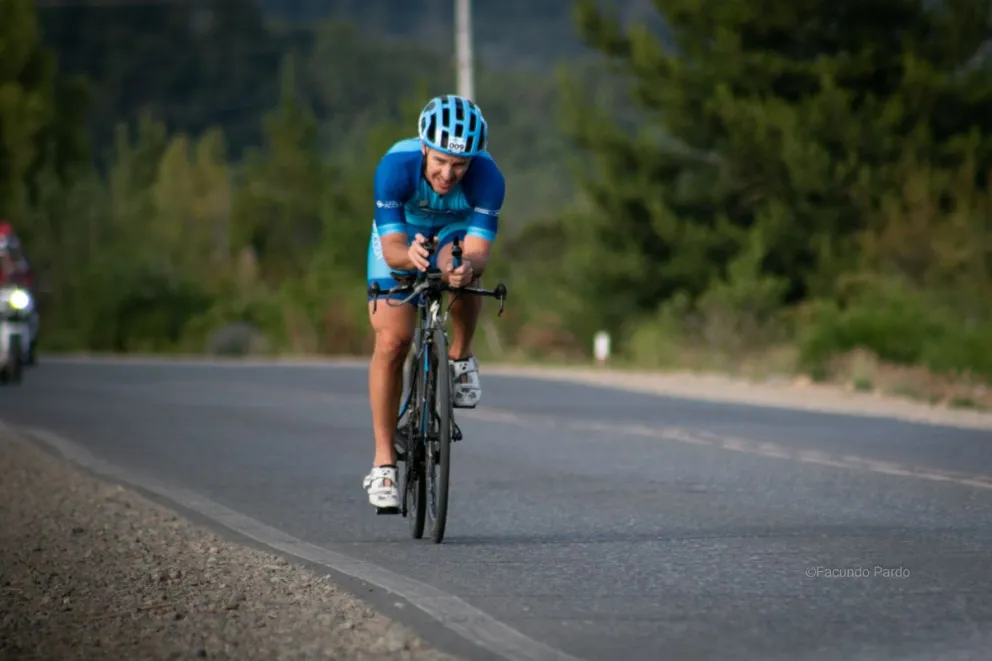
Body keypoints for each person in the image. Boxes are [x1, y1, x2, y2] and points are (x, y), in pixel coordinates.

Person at [362, 94, 505, 510]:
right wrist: (409, 256)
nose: (447, 174)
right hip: (404, 231)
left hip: (454, 229)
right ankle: (385, 463)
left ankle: (459, 356)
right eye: (440, 161)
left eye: (459, 166)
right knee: (392, 341)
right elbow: (390, 249)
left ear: (472, 162)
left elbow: (478, 250)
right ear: (425, 147)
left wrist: (462, 269)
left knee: (464, 271)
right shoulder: (395, 168)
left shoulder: (488, 179)